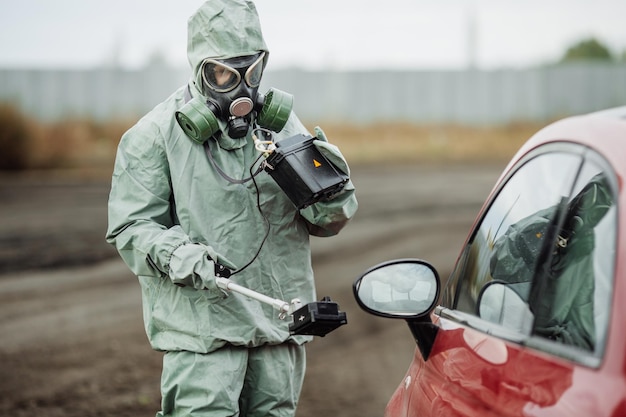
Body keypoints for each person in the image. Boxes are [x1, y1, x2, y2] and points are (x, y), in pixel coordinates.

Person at [105, 1, 358, 416]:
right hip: (202, 331)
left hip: (278, 326)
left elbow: (328, 221)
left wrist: (332, 185)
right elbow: (131, 227)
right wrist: (177, 254)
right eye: (223, 72)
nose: (240, 87)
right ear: (200, 70)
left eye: (250, 71)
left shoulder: (280, 126)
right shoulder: (153, 135)